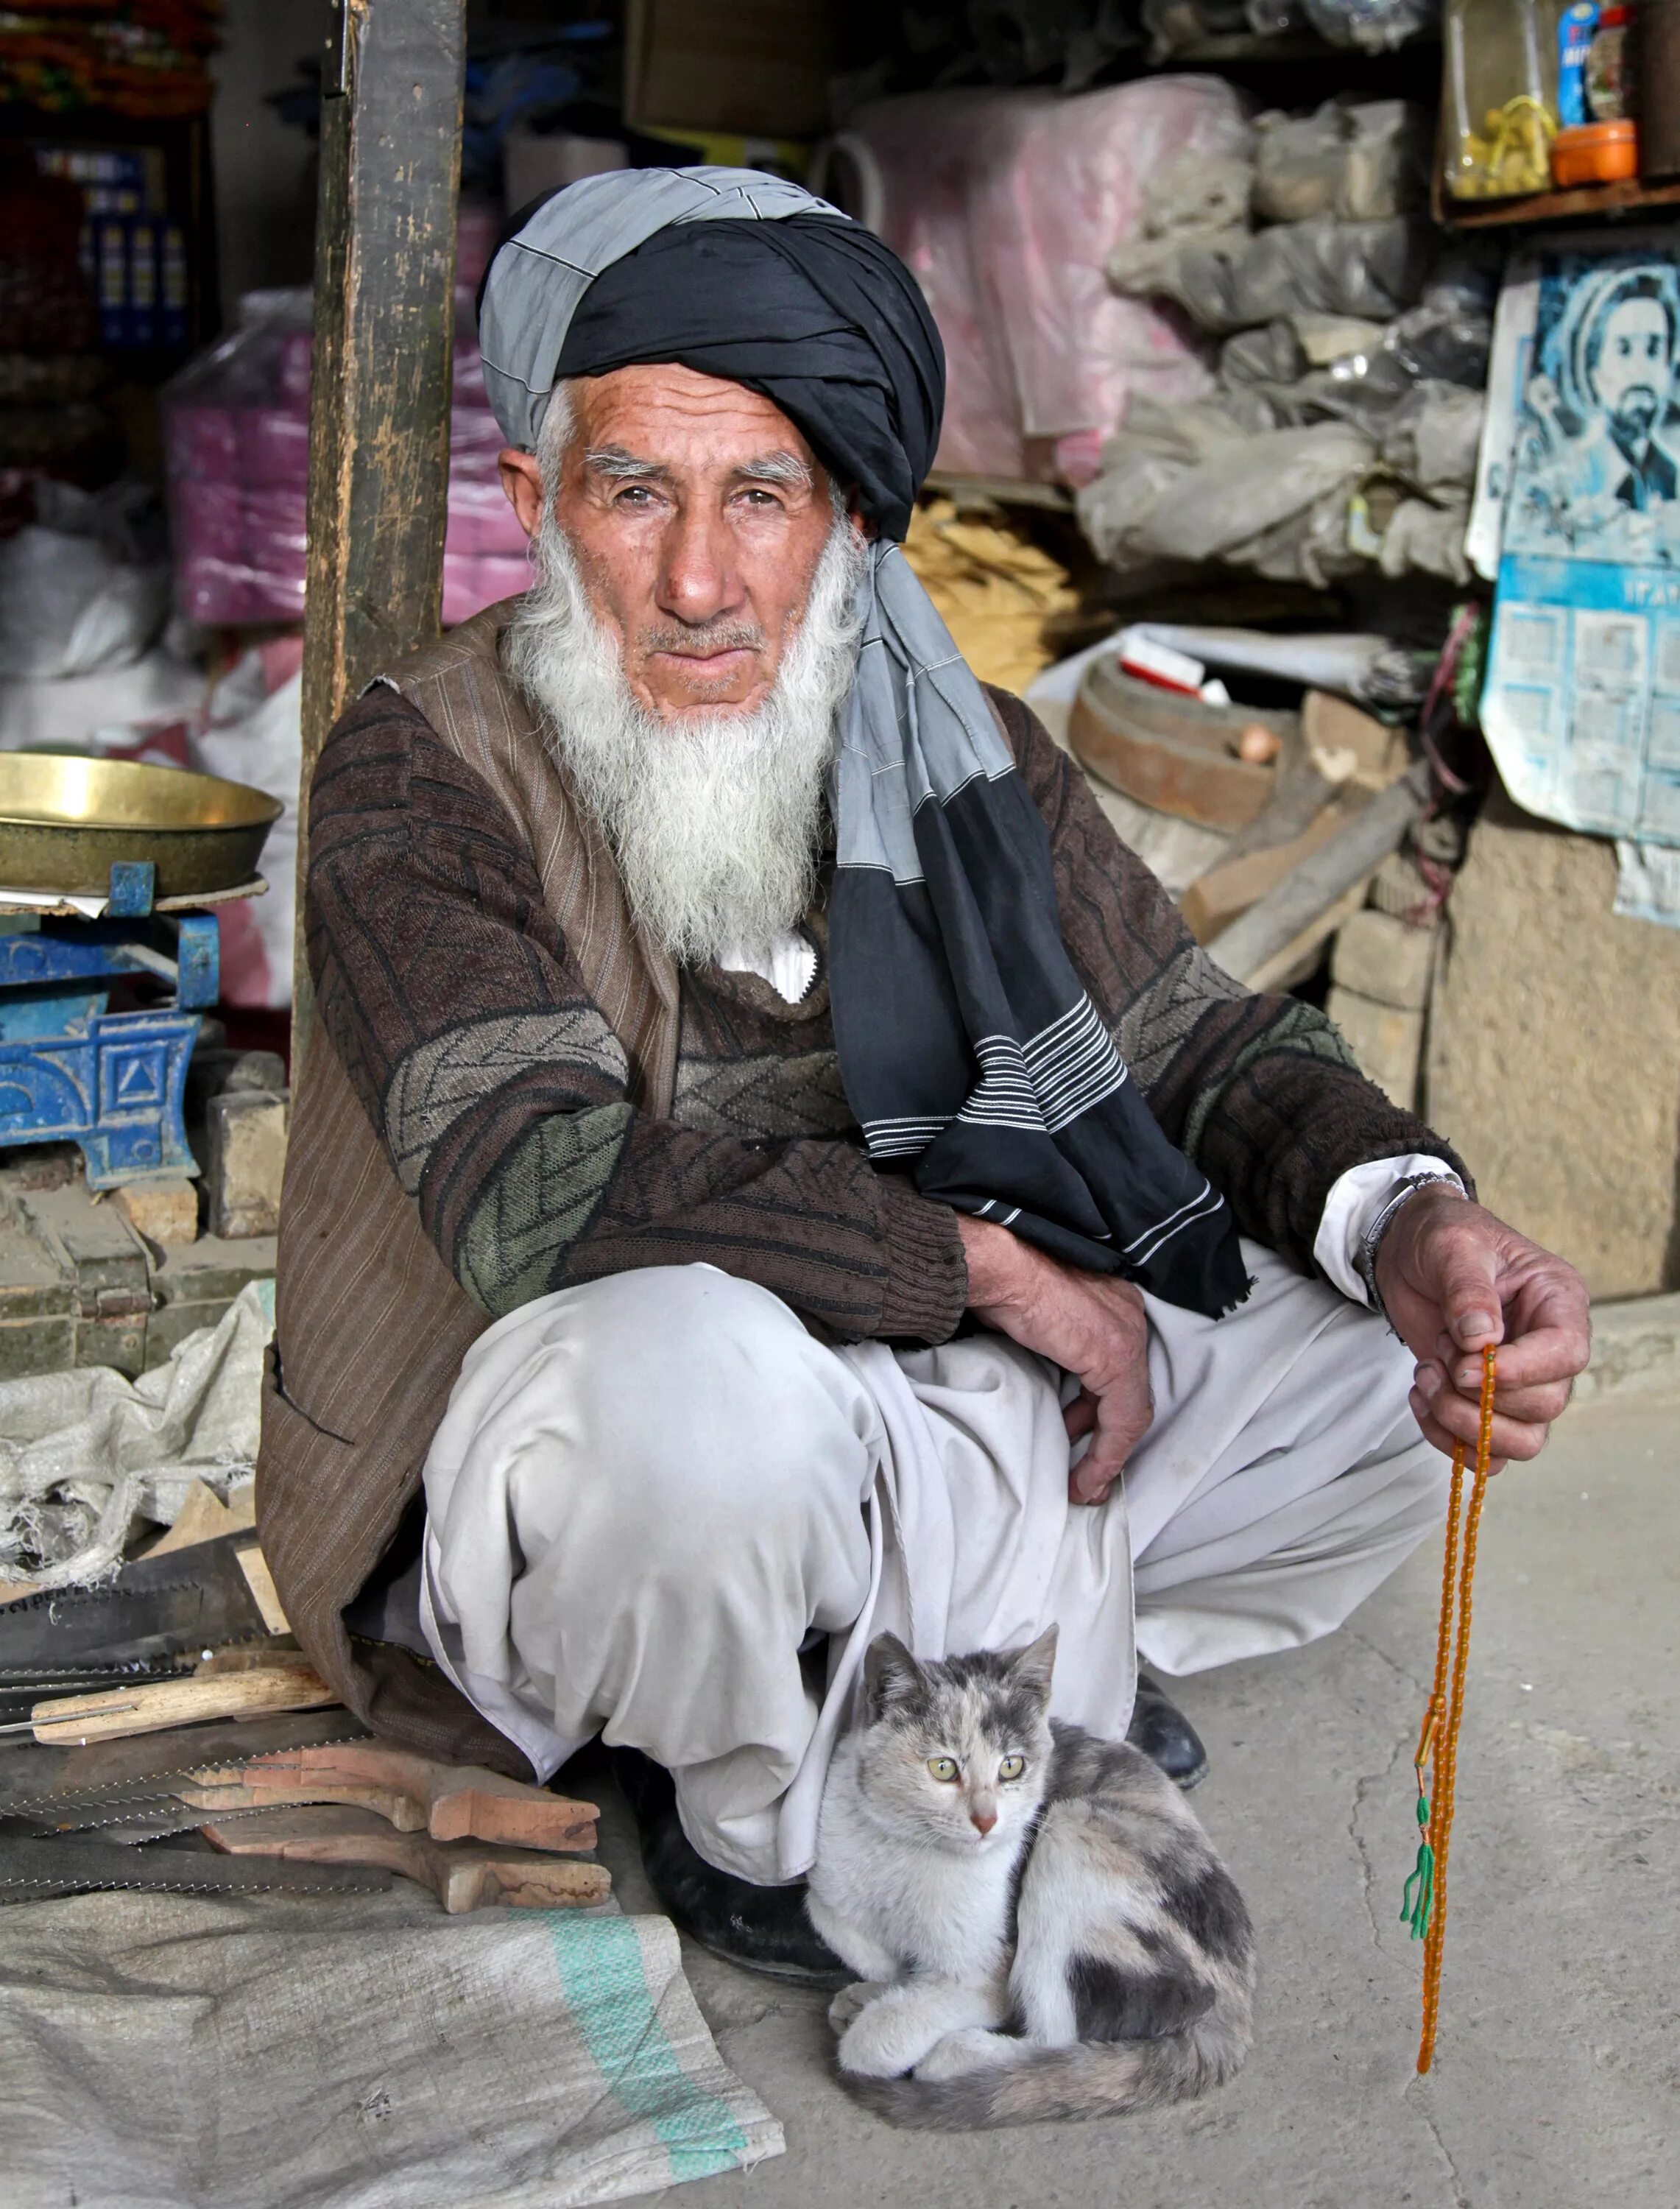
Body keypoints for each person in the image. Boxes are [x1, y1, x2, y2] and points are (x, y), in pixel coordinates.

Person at [258, 169, 1590, 1981]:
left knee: (1389, 1337)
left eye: (764, 497)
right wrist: (987, 1271)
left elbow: (1195, 1038)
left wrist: (1415, 1214)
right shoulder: (423, 771)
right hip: (632, 1427)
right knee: (685, 1391)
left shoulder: (959, 749)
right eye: (634, 492)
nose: (700, 580)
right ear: (535, 507)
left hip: (924, 1394)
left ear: (857, 522)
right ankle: (746, 1803)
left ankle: (1009, 1663)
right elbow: (540, 1193)